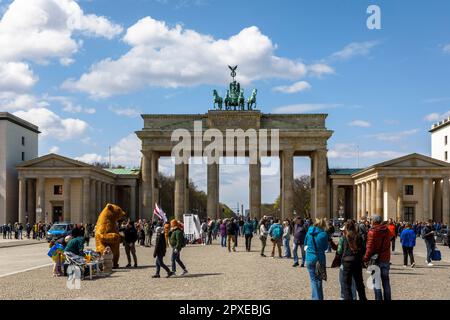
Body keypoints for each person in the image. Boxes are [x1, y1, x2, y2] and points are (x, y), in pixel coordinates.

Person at [363, 215, 391, 300]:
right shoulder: (387, 230)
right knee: (386, 283)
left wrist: (365, 258)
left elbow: (370, 247)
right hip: (385, 259)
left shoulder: (372, 232)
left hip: (376, 260)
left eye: (371, 220)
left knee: (377, 283)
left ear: (374, 221)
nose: (370, 221)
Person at [337, 221, 367, 301]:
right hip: (357, 262)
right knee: (359, 283)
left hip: (346, 262)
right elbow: (364, 249)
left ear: (346, 228)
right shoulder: (359, 237)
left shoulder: (344, 238)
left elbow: (339, 251)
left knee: (347, 284)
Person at [305, 218, 329, 300]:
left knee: (313, 280)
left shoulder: (309, 232)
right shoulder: (324, 234)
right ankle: (317, 298)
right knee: (319, 280)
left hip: (309, 258)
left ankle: (317, 298)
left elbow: (305, 243)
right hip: (320, 258)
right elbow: (326, 247)